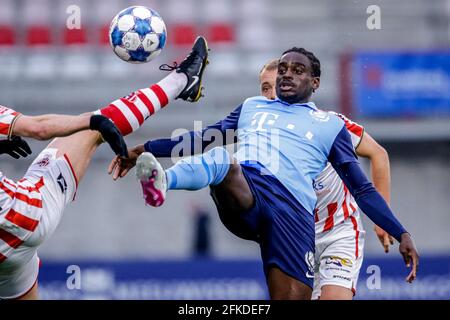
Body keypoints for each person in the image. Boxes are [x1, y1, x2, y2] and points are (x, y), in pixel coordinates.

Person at [109, 47, 419, 300]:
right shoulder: (251, 109)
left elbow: (363, 186)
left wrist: (396, 228)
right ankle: (163, 180)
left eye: (296, 71)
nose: (285, 76)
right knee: (220, 159)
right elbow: (203, 137)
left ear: (315, 82)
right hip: (252, 195)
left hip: (308, 222)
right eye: (281, 71)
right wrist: (146, 147)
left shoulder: (331, 124)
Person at [0, 36, 209, 300]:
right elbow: (39, 128)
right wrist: (95, 121)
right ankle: (181, 81)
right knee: (90, 130)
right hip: (20, 219)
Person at [259, 59, 393, 299]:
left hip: (338, 232)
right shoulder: (260, 139)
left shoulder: (330, 124)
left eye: (274, 86)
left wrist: (382, 218)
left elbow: (378, 154)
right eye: (264, 88)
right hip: (296, 238)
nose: (271, 95)